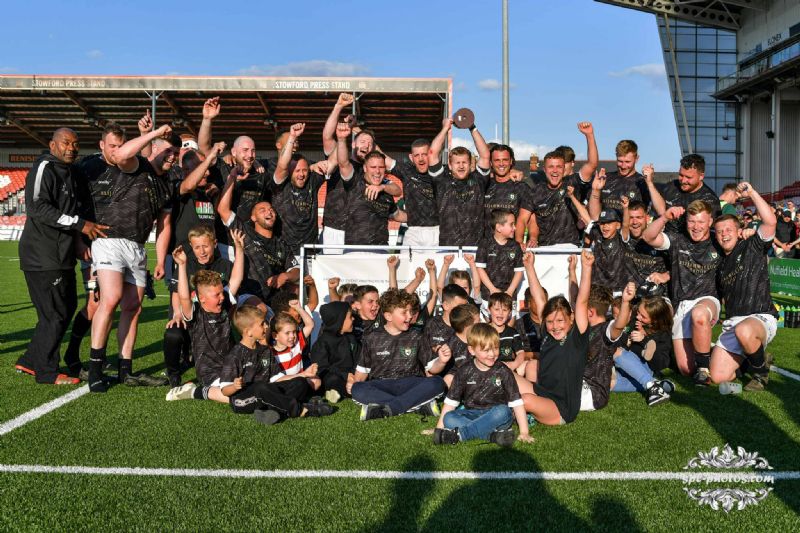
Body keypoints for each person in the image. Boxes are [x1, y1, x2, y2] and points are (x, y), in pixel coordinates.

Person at [84, 123, 176, 392]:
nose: (171, 157)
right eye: (167, 152)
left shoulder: (165, 185)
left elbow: (164, 226)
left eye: (175, 154)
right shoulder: (137, 165)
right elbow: (122, 154)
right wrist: (155, 133)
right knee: (110, 298)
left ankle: (126, 370)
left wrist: (159, 260)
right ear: (154, 150)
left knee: (133, 309)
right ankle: (95, 369)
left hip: (136, 247)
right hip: (109, 240)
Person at [16, 128, 107, 384]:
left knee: (64, 309)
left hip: (62, 253)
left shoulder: (70, 171)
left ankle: (31, 359)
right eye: (66, 143)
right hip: (42, 255)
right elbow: (37, 207)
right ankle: (47, 372)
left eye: (76, 144)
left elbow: (70, 209)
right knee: (54, 314)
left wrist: (77, 240)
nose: (71, 148)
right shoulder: (44, 167)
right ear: (52, 145)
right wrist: (81, 225)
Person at [642, 200, 723, 385]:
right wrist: (664, 217)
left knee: (699, 315)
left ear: (710, 221)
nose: (696, 227)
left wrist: (744, 231)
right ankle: (725, 356)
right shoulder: (677, 239)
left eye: (701, 222)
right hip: (681, 303)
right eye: (692, 221)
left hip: (707, 300)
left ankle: (704, 371)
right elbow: (648, 237)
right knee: (686, 369)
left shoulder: (717, 240)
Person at [710, 182, 778, 392]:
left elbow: (770, 221)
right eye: (720, 231)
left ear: (740, 231)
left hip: (760, 317)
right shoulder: (719, 263)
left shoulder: (752, 245)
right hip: (733, 322)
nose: (724, 234)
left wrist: (752, 194)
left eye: (729, 229)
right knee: (719, 376)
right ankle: (757, 358)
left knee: (744, 329)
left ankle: (761, 374)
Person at [219, 305, 334, 425]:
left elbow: (277, 379)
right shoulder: (235, 355)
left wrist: (304, 375)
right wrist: (235, 386)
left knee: (300, 382)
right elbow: (224, 390)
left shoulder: (265, 350)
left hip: (267, 391)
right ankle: (302, 409)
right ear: (248, 332)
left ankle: (273, 412)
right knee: (260, 387)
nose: (266, 326)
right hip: (242, 400)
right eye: (262, 324)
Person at [162, 226, 245, 387]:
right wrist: (178, 313)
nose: (202, 251)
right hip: (193, 319)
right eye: (197, 247)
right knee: (173, 334)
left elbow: (236, 279)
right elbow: (181, 296)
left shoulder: (225, 269)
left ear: (214, 244)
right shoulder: (187, 267)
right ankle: (174, 373)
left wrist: (239, 249)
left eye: (205, 246)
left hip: (220, 327)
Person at [348, 290, 447, 421]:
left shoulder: (417, 336)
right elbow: (361, 374)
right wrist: (354, 385)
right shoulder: (371, 337)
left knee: (437, 382)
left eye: (411, 311)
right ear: (388, 316)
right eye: (404, 312)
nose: (410, 316)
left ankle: (387, 409)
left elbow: (432, 369)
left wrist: (441, 361)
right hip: (382, 385)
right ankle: (418, 405)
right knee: (358, 388)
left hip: (411, 384)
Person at [520, 249, 593, 425]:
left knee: (524, 400)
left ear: (571, 319)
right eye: (550, 321)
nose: (555, 326)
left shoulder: (577, 338)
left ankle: (524, 414)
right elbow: (539, 298)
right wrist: (529, 267)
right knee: (503, 373)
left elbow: (581, 300)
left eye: (560, 320)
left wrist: (586, 267)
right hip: (542, 392)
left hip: (560, 409)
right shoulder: (547, 332)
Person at [433, 323, 533, 447]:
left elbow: (516, 403)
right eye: (486, 350)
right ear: (471, 350)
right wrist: (438, 429)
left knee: (503, 411)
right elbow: (450, 403)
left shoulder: (503, 370)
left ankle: (460, 435)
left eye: (496, 348)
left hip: (496, 416)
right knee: (449, 418)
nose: (492, 354)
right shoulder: (464, 371)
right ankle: (493, 436)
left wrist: (524, 432)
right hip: (472, 414)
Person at [217, 166, 299, 305]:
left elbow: (296, 270)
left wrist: (285, 276)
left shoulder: (281, 244)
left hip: (275, 300)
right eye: (262, 210)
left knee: (295, 291)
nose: (269, 212)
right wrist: (231, 177)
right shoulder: (245, 232)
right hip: (248, 298)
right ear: (253, 217)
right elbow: (223, 209)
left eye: (271, 209)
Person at [198, 97, 271, 221]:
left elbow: (282, 166)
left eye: (253, 151)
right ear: (233, 152)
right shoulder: (224, 166)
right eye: (245, 150)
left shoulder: (261, 171)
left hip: (250, 237)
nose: (250, 155)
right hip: (224, 236)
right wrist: (207, 119)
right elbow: (204, 148)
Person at [335, 122, 407, 246]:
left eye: (381, 167)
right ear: (365, 168)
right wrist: (341, 139)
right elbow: (343, 163)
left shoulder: (386, 191)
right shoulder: (355, 180)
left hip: (381, 251)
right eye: (373, 167)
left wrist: (425, 218)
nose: (377, 171)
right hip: (355, 251)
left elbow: (398, 214)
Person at [427, 118, 491, 246]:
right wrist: (445, 128)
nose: (461, 166)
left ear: (470, 163)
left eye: (464, 162)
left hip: (476, 248)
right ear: (450, 165)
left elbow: (485, 155)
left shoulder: (478, 180)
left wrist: (472, 127)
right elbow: (432, 154)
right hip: (448, 247)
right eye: (457, 163)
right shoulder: (442, 181)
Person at [271, 123, 329, 253]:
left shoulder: (308, 171)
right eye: (297, 170)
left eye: (304, 170)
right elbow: (282, 166)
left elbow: (334, 161)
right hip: (284, 251)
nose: (301, 174)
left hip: (310, 250)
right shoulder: (271, 167)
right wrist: (292, 136)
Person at [612, 295, 675, 405]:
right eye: (639, 313)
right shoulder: (635, 321)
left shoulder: (663, 334)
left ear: (655, 320)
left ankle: (650, 385)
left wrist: (644, 340)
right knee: (605, 383)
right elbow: (621, 338)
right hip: (624, 367)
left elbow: (661, 364)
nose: (638, 317)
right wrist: (627, 341)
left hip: (645, 368)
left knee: (616, 351)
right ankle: (656, 385)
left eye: (643, 316)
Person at [525, 151, 592, 247]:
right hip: (544, 248)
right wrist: (530, 239)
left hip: (570, 248)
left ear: (564, 169)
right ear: (544, 169)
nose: (555, 170)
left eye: (559, 167)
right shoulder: (536, 191)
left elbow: (592, 164)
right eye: (551, 167)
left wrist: (590, 136)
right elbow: (528, 220)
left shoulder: (572, 183)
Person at [390, 138, 440, 247]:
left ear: (430, 154)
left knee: (438, 264)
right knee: (408, 264)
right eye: (417, 155)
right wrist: (358, 131)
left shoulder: (441, 174)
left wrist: (445, 128)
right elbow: (382, 159)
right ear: (411, 158)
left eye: (424, 154)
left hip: (437, 231)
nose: (421, 159)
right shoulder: (406, 171)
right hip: (413, 232)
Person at [597, 140, 664, 215]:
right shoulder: (605, 179)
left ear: (637, 159)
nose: (623, 166)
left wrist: (649, 183)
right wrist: (595, 189)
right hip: (606, 225)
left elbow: (661, 211)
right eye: (620, 161)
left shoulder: (642, 182)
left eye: (627, 162)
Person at [657, 154, 719, 234]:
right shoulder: (671, 187)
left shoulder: (710, 200)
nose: (683, 181)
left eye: (688, 177)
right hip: (664, 240)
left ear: (701, 176)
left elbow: (712, 232)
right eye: (681, 175)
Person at [483, 144, 533, 243]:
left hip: (512, 249)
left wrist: (524, 241)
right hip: (486, 248)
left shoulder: (522, 188)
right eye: (497, 160)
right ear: (491, 163)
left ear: (511, 161)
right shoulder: (483, 185)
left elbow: (528, 219)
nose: (501, 164)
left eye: (505, 160)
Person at [310, 301, 358, 404]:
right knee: (332, 380)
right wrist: (345, 375)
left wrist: (354, 374)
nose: (353, 319)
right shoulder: (322, 343)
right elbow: (322, 368)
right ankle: (340, 391)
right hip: (335, 376)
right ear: (339, 321)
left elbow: (358, 359)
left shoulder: (351, 339)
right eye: (350, 317)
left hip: (352, 375)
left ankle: (350, 388)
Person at [620, 199, 670, 294]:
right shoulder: (622, 238)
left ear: (647, 218)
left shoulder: (660, 239)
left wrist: (665, 275)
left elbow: (680, 266)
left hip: (656, 297)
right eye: (631, 218)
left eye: (639, 217)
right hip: (629, 294)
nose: (635, 222)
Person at [475, 209, 525, 300]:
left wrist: (510, 291)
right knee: (489, 314)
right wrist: (492, 289)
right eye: (511, 224)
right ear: (499, 227)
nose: (515, 228)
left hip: (509, 297)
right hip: (489, 296)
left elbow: (519, 271)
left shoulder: (515, 246)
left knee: (510, 315)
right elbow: (480, 269)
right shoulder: (485, 244)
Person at [485, 293, 526, 374]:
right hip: (488, 368)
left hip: (508, 369)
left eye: (504, 310)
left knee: (525, 365)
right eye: (496, 309)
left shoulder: (512, 332)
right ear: (489, 310)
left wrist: (514, 364)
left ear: (510, 313)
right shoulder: (482, 331)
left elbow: (521, 353)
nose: (500, 313)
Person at [423, 284, 469, 350]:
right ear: (445, 305)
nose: (464, 310)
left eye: (465, 306)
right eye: (460, 306)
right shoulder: (432, 324)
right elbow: (424, 356)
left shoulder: (467, 326)